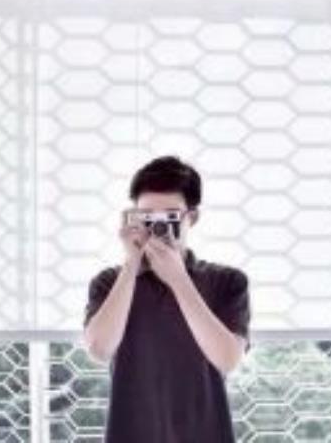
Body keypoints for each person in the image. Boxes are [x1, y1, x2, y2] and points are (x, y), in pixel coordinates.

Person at [82, 155, 252, 443]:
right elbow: (99, 349)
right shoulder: (109, 282)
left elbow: (227, 359)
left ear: (192, 218)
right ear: (133, 218)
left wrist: (179, 279)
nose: (158, 228)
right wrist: (131, 264)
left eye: (170, 217)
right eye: (148, 218)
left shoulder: (227, 282)